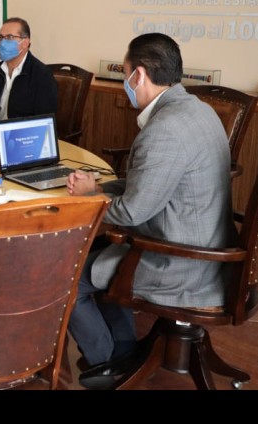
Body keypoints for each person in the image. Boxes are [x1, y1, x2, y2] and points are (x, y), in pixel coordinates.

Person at [65, 32, 235, 390]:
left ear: (138, 75)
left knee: (66, 277)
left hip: (183, 263)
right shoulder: (198, 110)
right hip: (209, 248)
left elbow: (131, 213)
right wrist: (99, 188)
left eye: (125, 73)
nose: (126, 83)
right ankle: (123, 354)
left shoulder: (164, 130)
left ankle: (108, 367)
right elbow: (150, 184)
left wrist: (89, 201)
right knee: (98, 255)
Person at [0, 17, 57, 135]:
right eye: (1, 37)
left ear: (25, 43)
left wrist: (4, 129)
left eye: (9, 37)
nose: (2, 42)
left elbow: (43, 123)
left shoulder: (42, 75)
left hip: (23, 140)